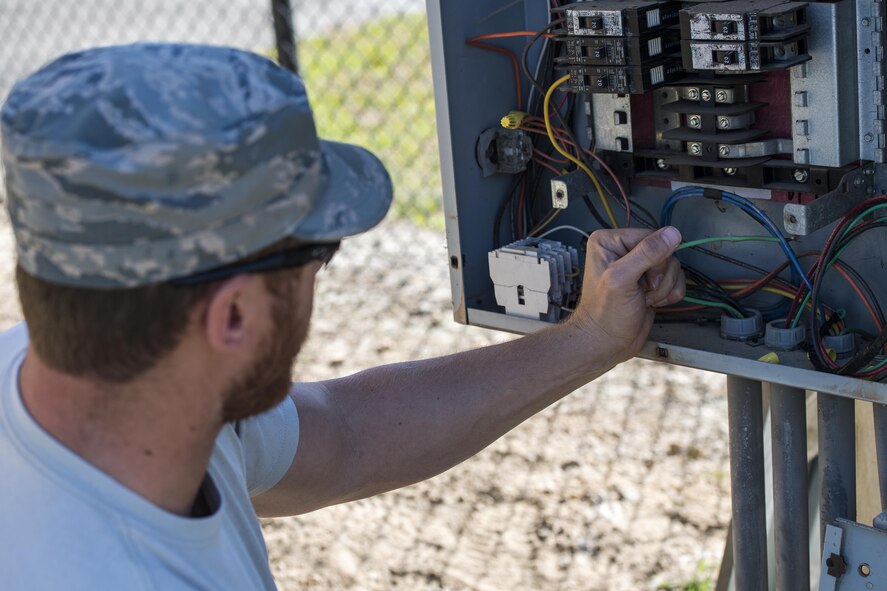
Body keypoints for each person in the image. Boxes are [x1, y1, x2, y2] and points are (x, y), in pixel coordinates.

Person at [0, 43, 685, 589]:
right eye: (319, 249)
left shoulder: (94, 378)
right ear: (232, 315)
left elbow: (343, 434)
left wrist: (589, 338)